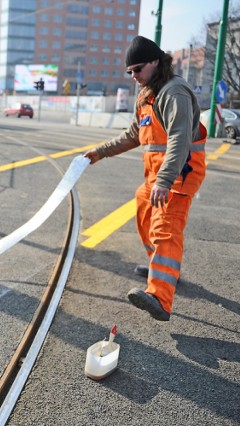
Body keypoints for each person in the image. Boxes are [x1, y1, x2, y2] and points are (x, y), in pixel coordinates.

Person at [83, 36, 206, 322]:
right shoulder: (148, 95)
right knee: (144, 216)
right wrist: (101, 152)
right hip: (157, 177)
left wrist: (164, 180)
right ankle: (162, 268)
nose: (134, 76)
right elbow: (133, 135)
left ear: (155, 63)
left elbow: (178, 139)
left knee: (165, 228)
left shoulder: (173, 93)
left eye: (137, 69)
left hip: (178, 175)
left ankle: (160, 297)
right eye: (130, 72)